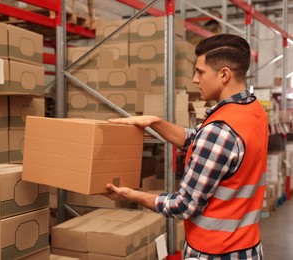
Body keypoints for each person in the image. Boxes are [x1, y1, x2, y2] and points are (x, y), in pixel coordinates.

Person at [105, 34, 269, 260]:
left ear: (224, 75)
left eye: (200, 72)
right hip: (248, 247)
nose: (194, 79)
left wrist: (133, 196)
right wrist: (154, 122)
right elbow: (201, 140)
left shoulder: (220, 130)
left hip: (214, 251)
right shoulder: (253, 111)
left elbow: (185, 206)